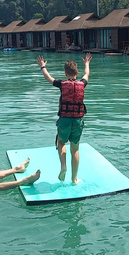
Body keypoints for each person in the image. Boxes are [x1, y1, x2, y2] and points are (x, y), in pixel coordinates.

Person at [36, 53, 92, 184]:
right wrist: (87, 63)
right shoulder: (82, 84)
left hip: (65, 120)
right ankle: (74, 179)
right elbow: (87, 74)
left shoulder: (62, 84)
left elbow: (48, 78)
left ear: (66, 74)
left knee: (61, 143)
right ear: (76, 73)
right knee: (75, 149)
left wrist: (43, 66)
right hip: (77, 120)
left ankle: (63, 166)